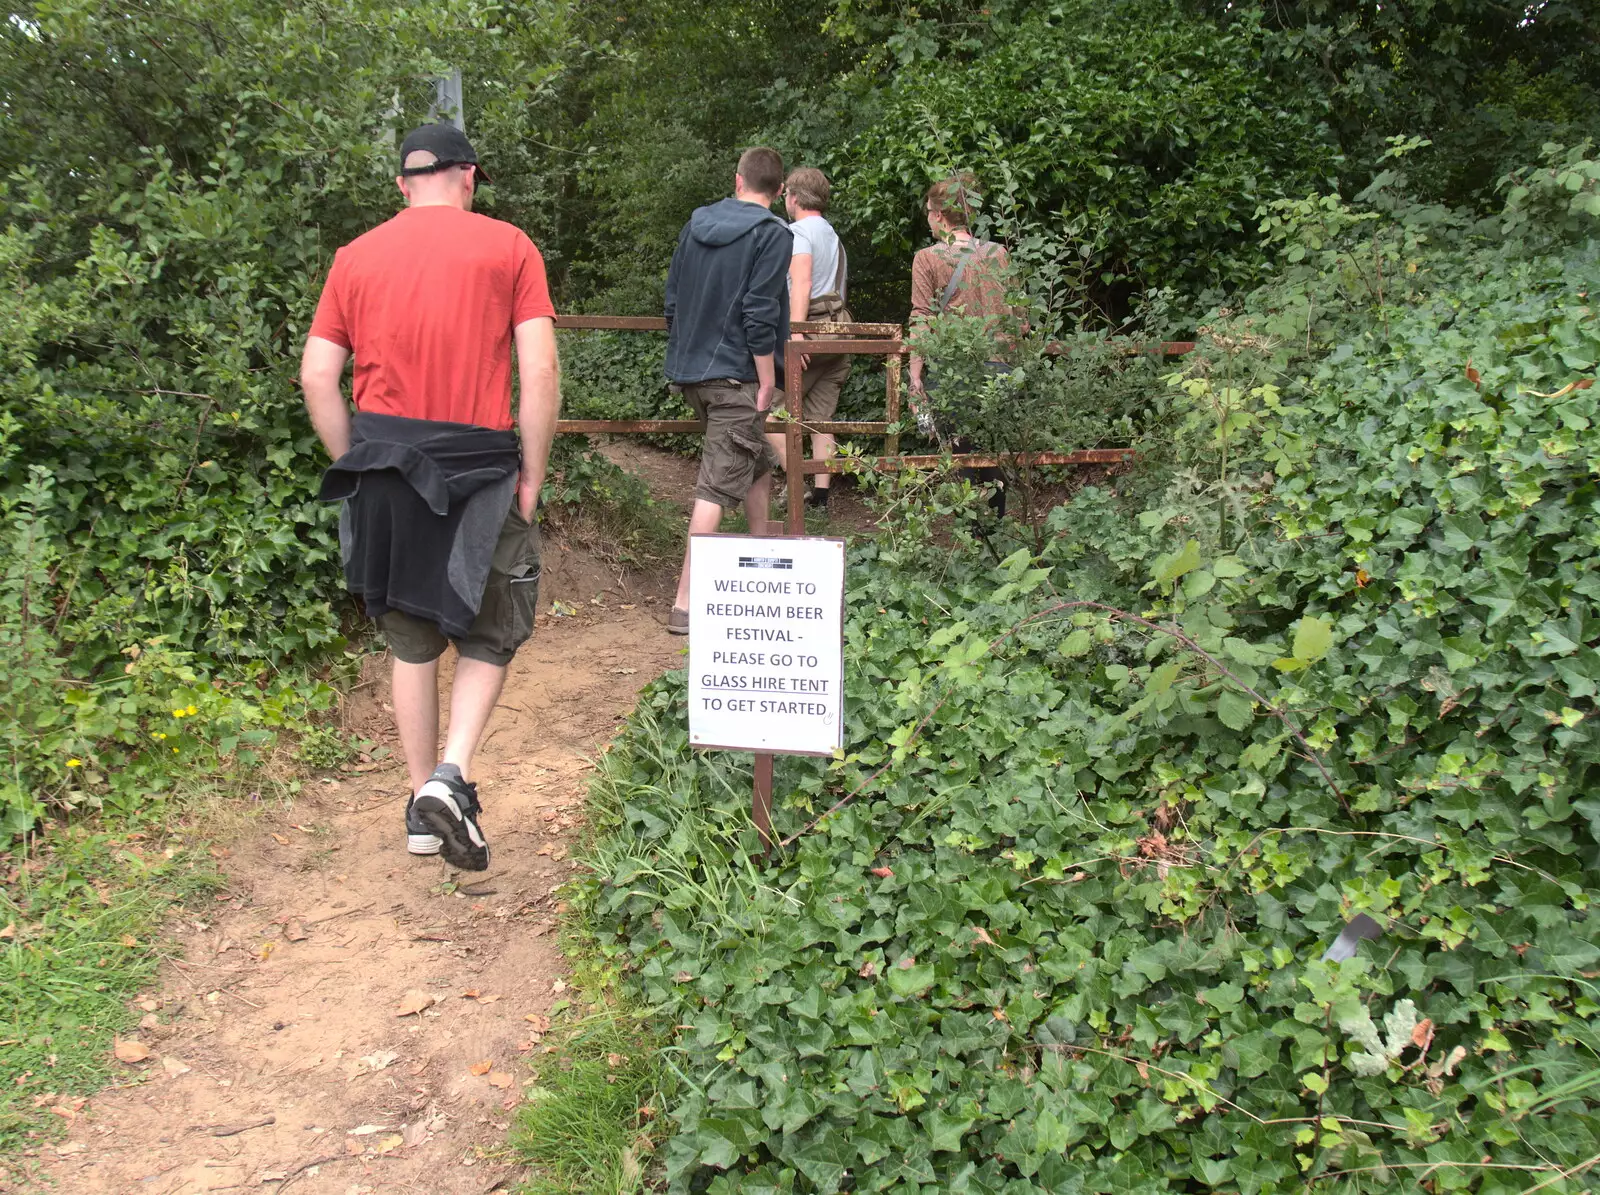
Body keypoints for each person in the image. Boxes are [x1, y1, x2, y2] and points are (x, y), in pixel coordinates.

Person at [300, 123, 560, 871]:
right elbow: (537, 372)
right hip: (480, 472)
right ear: (469, 176)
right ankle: (451, 774)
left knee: (411, 641)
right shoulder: (509, 247)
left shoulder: (355, 256)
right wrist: (532, 477)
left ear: (401, 185)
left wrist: (356, 460)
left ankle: (422, 803)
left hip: (385, 468)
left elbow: (318, 375)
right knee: (492, 627)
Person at [663, 147, 792, 634]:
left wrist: (688, 356)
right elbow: (760, 314)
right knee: (716, 485)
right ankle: (686, 602)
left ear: (738, 180)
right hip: (737, 376)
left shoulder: (696, 224)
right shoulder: (772, 234)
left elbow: (672, 299)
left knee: (753, 457)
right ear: (778, 192)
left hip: (691, 373)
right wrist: (766, 380)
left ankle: (760, 558)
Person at [906, 172, 1020, 518]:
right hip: (1002, 368)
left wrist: (915, 379)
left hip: (954, 372)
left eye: (928, 212)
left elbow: (921, 319)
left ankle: (974, 537)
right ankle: (998, 528)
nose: (927, 220)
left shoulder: (927, 258)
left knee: (962, 452)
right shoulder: (999, 255)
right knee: (992, 449)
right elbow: (1020, 319)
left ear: (940, 216)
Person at [764, 166, 851, 513]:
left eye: (786, 195)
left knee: (766, 412)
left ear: (795, 197)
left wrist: (795, 334)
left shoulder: (798, 231)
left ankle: (796, 483)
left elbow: (800, 284)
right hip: (836, 336)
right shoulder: (833, 236)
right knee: (820, 419)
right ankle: (820, 498)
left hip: (808, 334)